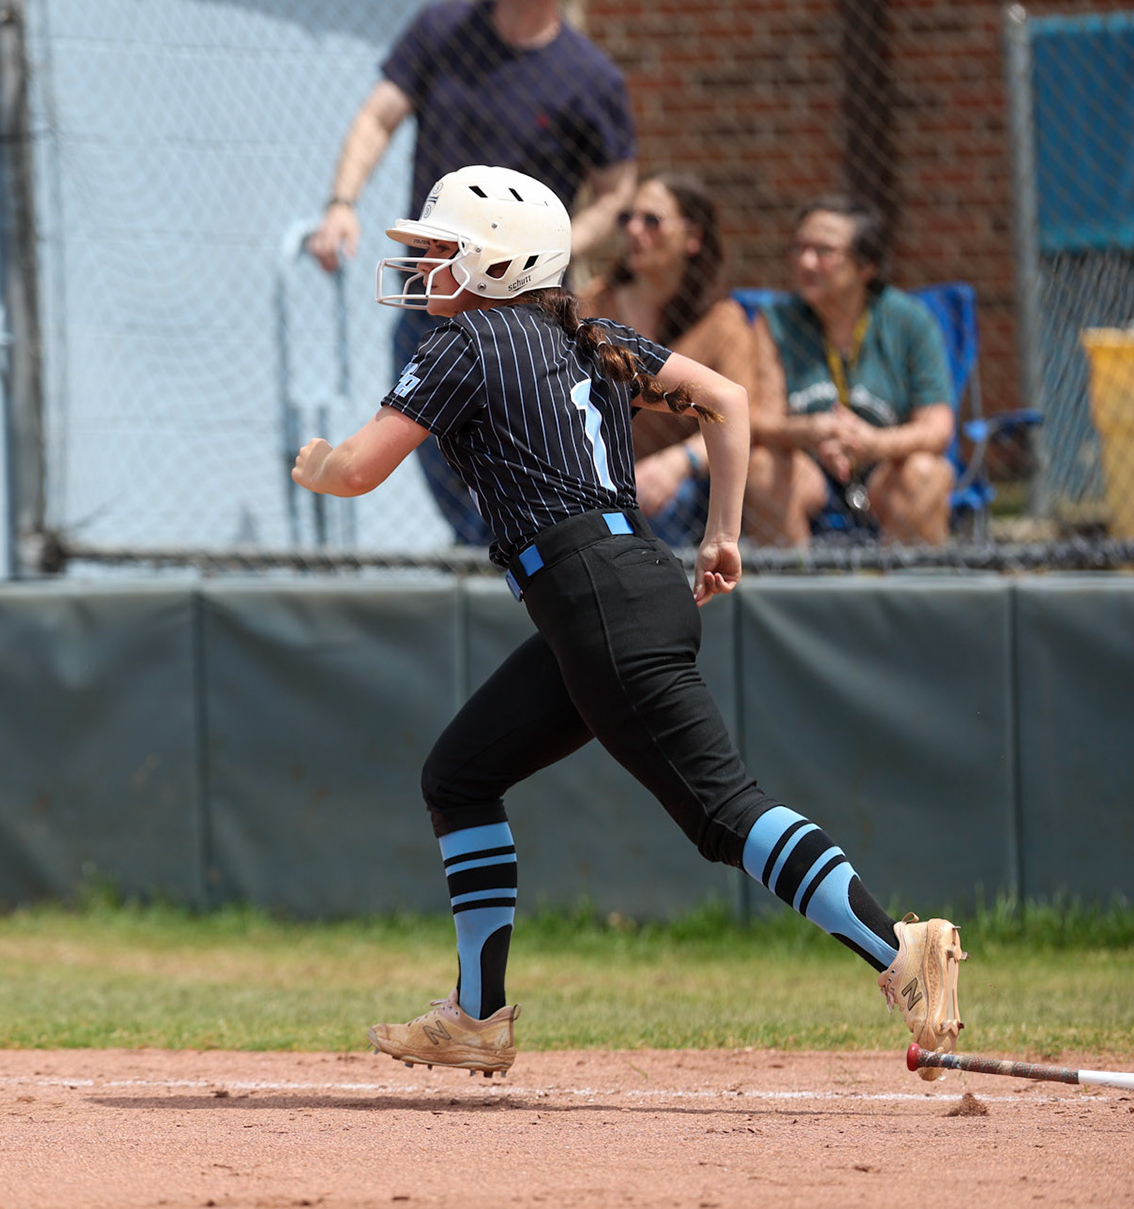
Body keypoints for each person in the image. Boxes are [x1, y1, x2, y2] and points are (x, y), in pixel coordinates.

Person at [289, 165, 967, 1081]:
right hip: (620, 588)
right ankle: (478, 1017)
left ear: (498, 265)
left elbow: (363, 469)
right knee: (461, 773)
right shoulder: (589, 333)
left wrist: (321, 466)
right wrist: (723, 534)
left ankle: (900, 950)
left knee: (722, 814)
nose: (429, 269)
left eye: (446, 251)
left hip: (596, 599)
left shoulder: (464, 346)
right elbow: (728, 400)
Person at [306, 0, 636, 546]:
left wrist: (550, 251)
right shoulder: (441, 29)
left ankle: (526, 549)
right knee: (423, 435)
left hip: (523, 304)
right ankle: (481, 551)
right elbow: (379, 115)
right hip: (434, 286)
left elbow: (618, 191)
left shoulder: (590, 77)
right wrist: (342, 203)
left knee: (513, 440)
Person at [747, 195, 956, 546]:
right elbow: (761, 419)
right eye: (799, 248)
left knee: (926, 472)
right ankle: (792, 590)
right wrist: (811, 430)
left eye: (824, 251)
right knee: (761, 467)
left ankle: (910, 595)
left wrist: (874, 443)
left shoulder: (910, 321)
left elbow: (938, 427)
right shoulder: (777, 322)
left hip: (883, 467)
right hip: (807, 465)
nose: (806, 261)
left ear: (865, 266)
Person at [580, 173, 758, 548]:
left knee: (672, 500)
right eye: (627, 218)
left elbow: (744, 415)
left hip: (677, 486)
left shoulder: (722, 322)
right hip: (590, 475)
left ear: (693, 238)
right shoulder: (595, 303)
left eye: (652, 220)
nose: (633, 229)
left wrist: (678, 463)